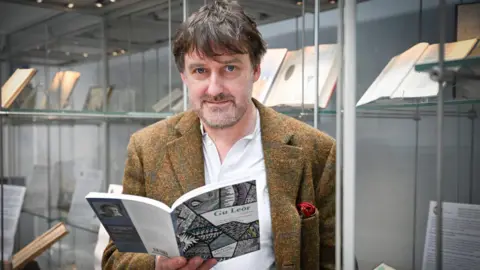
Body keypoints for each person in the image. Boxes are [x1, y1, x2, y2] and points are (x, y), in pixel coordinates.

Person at [102, 0, 336, 269]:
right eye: (200, 70)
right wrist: (156, 265)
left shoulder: (316, 150)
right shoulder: (146, 148)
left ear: (256, 70)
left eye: (230, 68)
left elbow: (331, 258)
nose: (214, 89)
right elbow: (114, 258)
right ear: (184, 76)